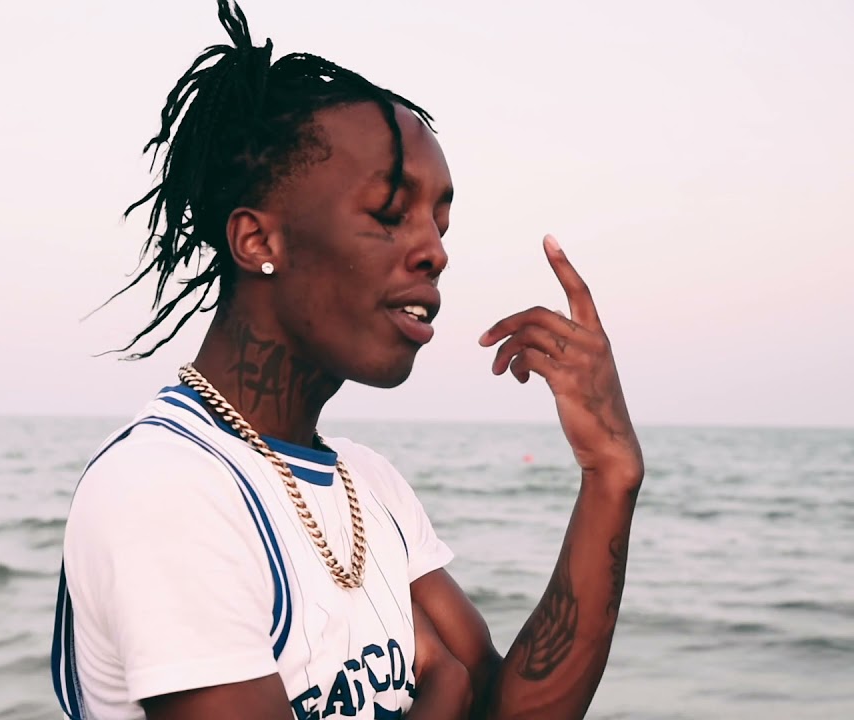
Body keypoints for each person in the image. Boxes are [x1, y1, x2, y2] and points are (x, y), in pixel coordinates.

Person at [50, 2, 644, 718]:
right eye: (390, 213)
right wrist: (446, 690)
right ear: (258, 242)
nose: (435, 252)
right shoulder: (169, 489)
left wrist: (609, 474)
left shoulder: (369, 485)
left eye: (440, 222)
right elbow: (468, 692)